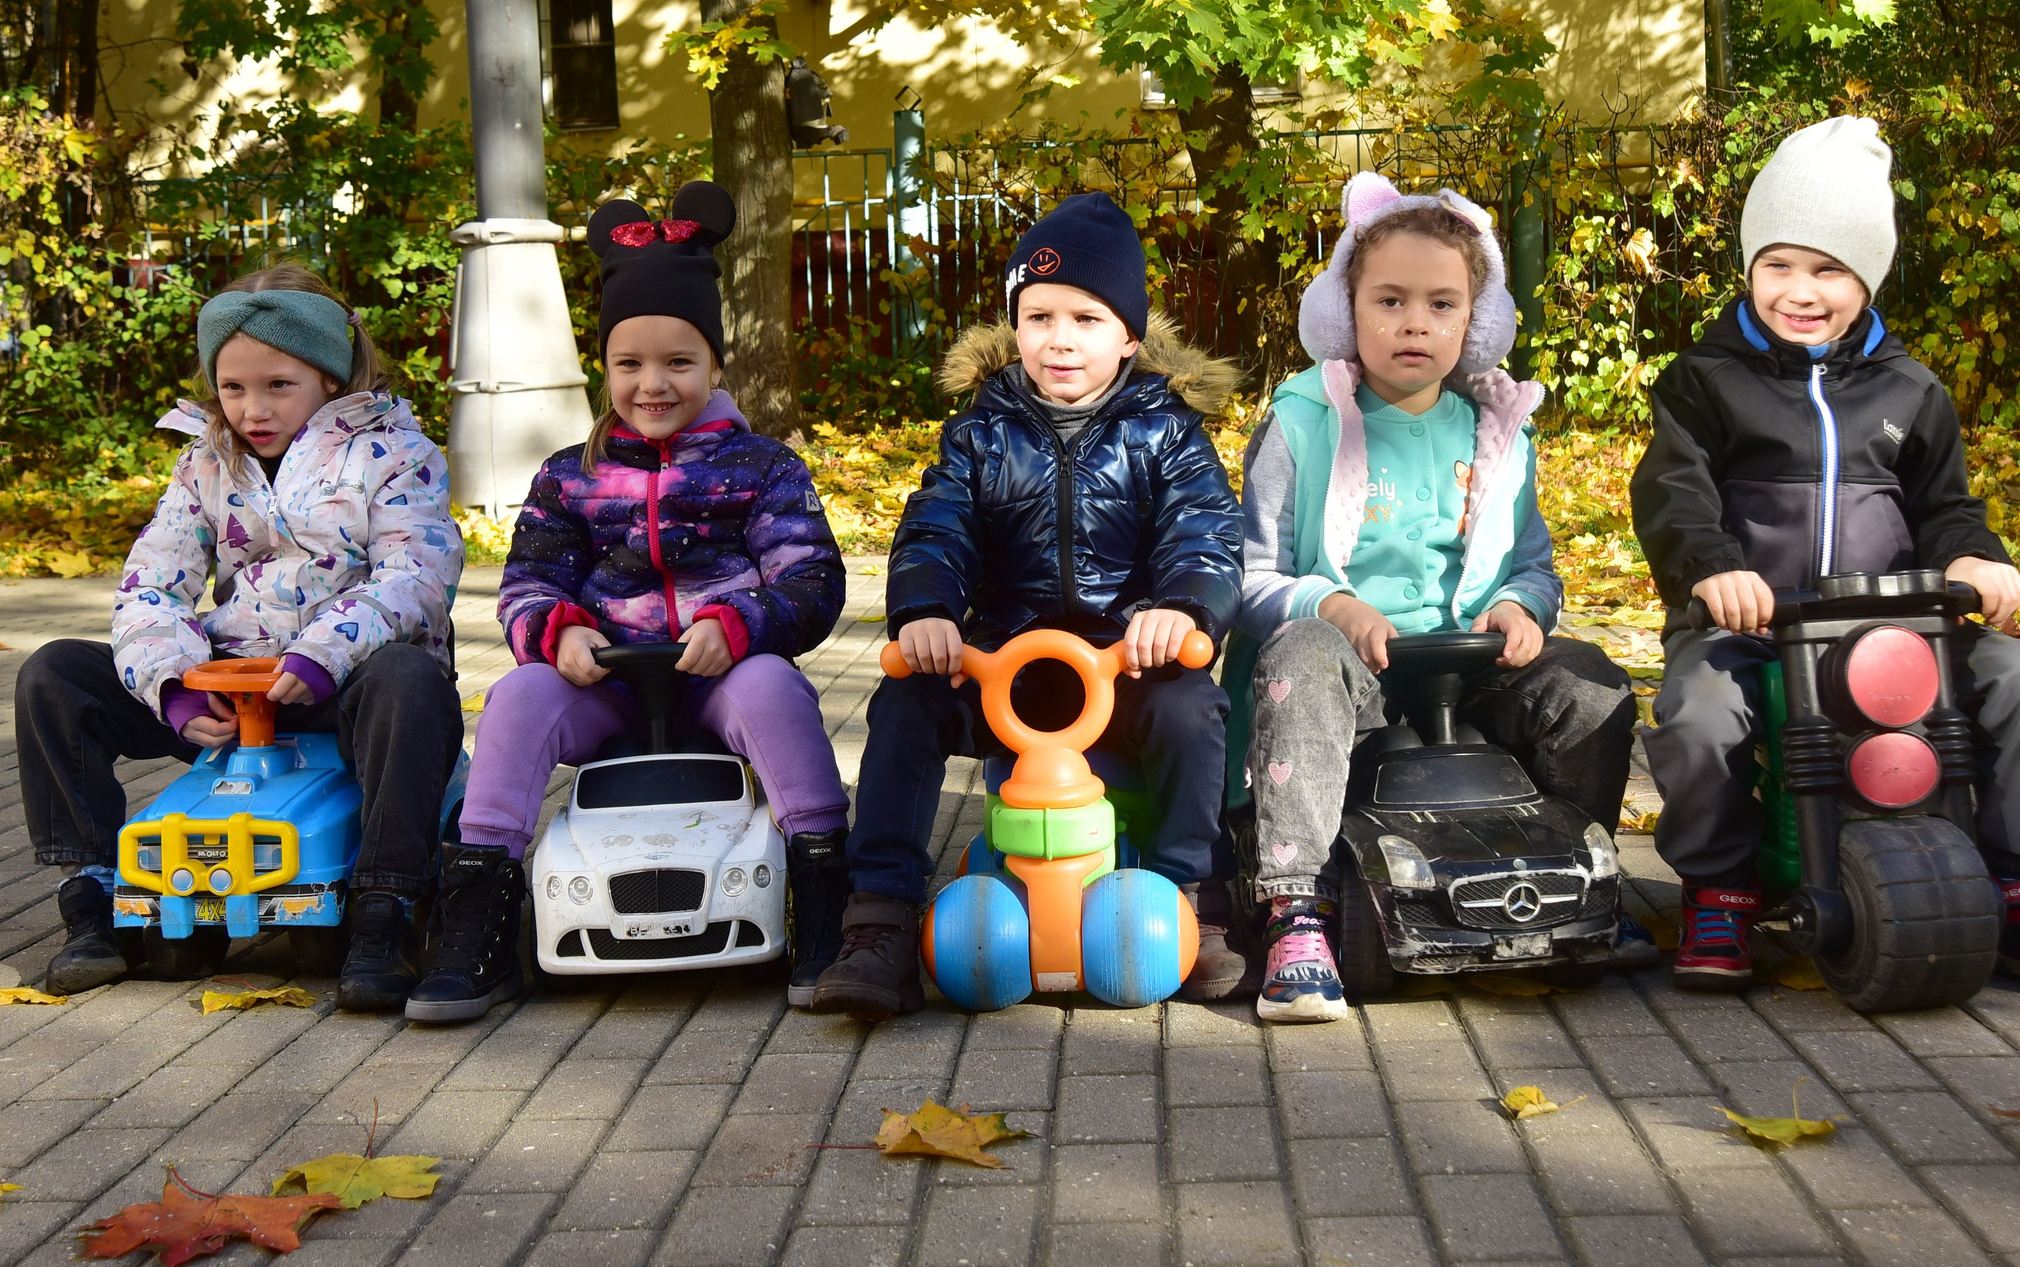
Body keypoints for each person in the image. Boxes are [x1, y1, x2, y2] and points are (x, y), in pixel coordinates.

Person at [1632, 114, 2020, 989]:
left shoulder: (1910, 387)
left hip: (1899, 628)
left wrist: (1975, 558)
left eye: (1829, 268)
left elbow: (1947, 506)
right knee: (1700, 709)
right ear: (1749, 267)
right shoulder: (1704, 380)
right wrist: (1712, 569)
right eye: (1778, 264)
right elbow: (1673, 492)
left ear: (1868, 276)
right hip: (1759, 621)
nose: (1801, 288)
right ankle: (1721, 890)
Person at [408, 182, 850, 1021]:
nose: (653, 383)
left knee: (773, 688)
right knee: (517, 696)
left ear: (716, 364)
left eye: (679, 362)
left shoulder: (762, 467)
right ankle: (479, 915)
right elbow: (527, 583)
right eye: (630, 363)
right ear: (604, 365)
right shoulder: (568, 475)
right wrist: (557, 632)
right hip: (606, 683)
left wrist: (742, 620)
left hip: (718, 679)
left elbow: (811, 580)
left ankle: (826, 888)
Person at [809, 192, 1246, 1020]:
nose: (1060, 338)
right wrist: (926, 610)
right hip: (1004, 664)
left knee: (1193, 711)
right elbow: (937, 527)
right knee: (906, 702)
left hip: (1123, 665)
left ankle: (1193, 894)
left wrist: (1181, 607)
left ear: (1128, 333)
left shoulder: (1167, 433)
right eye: (1038, 316)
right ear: (1016, 326)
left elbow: (1205, 531)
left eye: (1086, 317)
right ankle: (882, 916)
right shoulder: (981, 433)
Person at [1232, 172, 1652, 1024]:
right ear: (1347, 310)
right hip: (1348, 664)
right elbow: (1251, 574)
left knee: (1590, 684)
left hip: (1470, 664)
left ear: (1476, 320)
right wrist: (1332, 605)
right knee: (1301, 658)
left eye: (1441, 304)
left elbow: (1533, 566)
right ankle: (1295, 909)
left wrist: (1521, 610)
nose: (1414, 322)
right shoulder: (1302, 421)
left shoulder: (1496, 430)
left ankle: (1576, 877)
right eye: (1389, 300)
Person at [15, 264, 466, 1010]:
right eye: (233, 388)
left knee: (409, 679)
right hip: (234, 688)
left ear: (329, 374)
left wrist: (323, 655)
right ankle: (90, 899)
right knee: (55, 674)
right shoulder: (203, 463)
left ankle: (385, 907)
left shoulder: (395, 454)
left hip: (343, 682)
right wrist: (176, 684)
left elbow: (416, 574)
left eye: (277, 385)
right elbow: (151, 585)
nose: (252, 408)